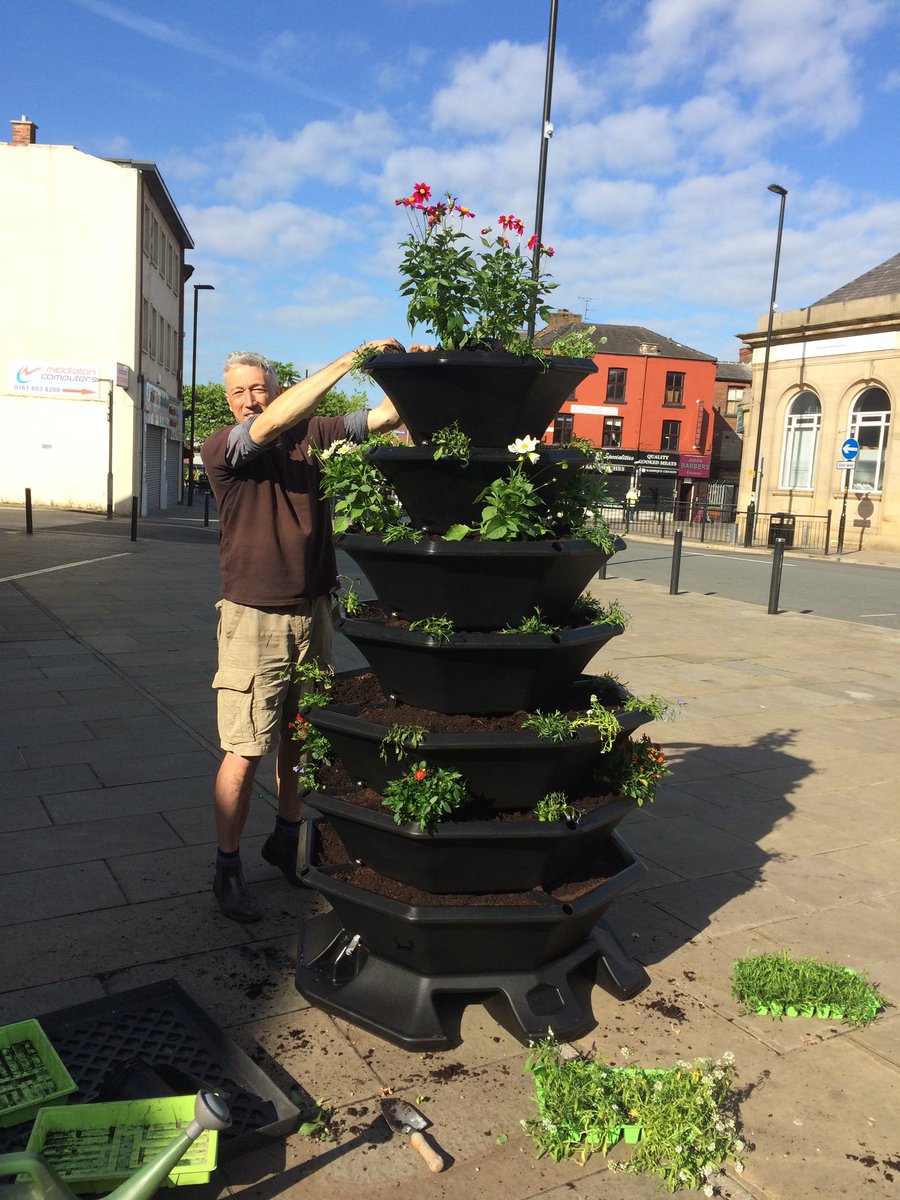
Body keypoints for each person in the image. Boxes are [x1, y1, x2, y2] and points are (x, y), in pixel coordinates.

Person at [201, 339, 405, 922]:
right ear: (228, 399)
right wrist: (348, 360)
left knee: (300, 737)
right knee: (244, 750)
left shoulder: (316, 436)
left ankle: (284, 841)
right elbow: (273, 423)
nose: (248, 399)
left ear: (272, 385)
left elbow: (385, 417)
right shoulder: (226, 447)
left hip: (313, 612)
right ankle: (227, 868)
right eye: (238, 391)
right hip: (254, 619)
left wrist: (401, 373)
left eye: (257, 388)